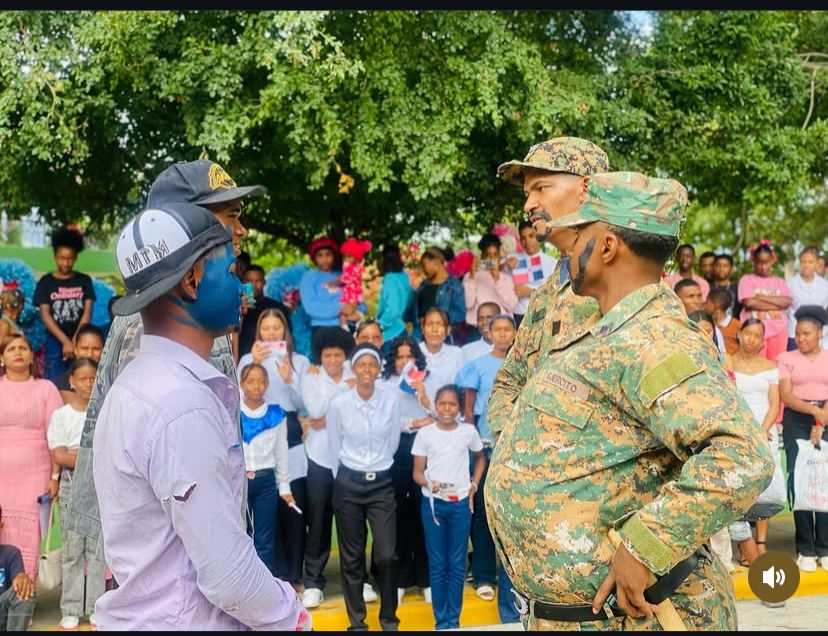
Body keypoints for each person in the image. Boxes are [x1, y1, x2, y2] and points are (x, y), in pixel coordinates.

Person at [487, 171, 774, 630]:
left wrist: (645, 546)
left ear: (606, 246)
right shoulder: (605, 333)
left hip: (643, 617)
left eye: (579, 235)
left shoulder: (655, 339)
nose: (568, 248)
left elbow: (742, 455)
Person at [92, 203, 307, 630]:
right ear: (192, 280)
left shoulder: (135, 385)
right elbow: (230, 577)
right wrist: (293, 617)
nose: (241, 286)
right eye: (231, 271)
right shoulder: (181, 404)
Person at [63, 159, 263, 575]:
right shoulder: (158, 318)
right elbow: (143, 477)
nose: (241, 230)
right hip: (171, 573)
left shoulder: (195, 307)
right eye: (230, 217)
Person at [488, 136, 609, 454]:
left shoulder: (625, 289)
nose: (528, 205)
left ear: (586, 189)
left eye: (541, 188)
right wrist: (515, 444)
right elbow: (508, 381)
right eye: (527, 193)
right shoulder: (545, 294)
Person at [328, 343, 402, 632]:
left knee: (387, 555)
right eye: (362, 364)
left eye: (372, 364)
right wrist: (346, 477)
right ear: (353, 368)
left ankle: (389, 620)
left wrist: (376, 466)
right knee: (352, 557)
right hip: (348, 483)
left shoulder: (390, 401)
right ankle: (357, 622)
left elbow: (393, 442)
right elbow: (334, 444)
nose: (367, 370)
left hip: (381, 483)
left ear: (379, 368)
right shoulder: (339, 404)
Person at [237, 308, 310, 591]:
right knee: (263, 520)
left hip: (290, 430)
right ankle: (271, 576)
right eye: (265, 328)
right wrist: (254, 363)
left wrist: (291, 378)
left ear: (284, 331)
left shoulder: (299, 361)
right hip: (258, 438)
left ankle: (295, 574)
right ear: (258, 332)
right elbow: (237, 397)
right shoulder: (248, 359)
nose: (270, 333)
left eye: (276, 328)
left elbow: (305, 403)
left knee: (291, 508)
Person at [455, 314, 517, 612]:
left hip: (515, 448)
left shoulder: (522, 364)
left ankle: (514, 576)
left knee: (510, 516)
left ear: (515, 333)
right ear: (489, 333)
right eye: (498, 329)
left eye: (508, 329)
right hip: (485, 447)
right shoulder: (477, 366)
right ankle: (483, 575)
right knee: (482, 513)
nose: (503, 334)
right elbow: (468, 409)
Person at [412, 384, 485, 630]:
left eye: (452, 404)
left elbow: (480, 458)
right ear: (435, 404)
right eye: (442, 403)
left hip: (460, 505)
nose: (446, 408)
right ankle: (441, 623)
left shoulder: (468, 431)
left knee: (456, 564)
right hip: (434, 505)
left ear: (459, 407)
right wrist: (429, 483)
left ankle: (453, 622)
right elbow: (417, 473)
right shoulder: (425, 434)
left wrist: (474, 485)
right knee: (437, 564)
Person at [46, 357, 105, 631]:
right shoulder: (62, 415)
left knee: (95, 551)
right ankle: (70, 609)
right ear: (71, 381)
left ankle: (95, 608)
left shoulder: (104, 413)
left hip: (98, 485)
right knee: (72, 550)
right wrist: (87, 455)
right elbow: (59, 454)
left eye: (93, 378)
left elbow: (106, 453)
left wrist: (76, 454)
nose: (88, 383)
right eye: (83, 378)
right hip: (70, 483)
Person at [299, 326, 356, 609]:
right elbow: (316, 410)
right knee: (319, 520)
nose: (333, 361)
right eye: (327, 356)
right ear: (320, 356)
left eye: (337, 355)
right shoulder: (311, 377)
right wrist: (344, 389)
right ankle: (312, 582)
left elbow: (353, 413)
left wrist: (327, 417)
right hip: (319, 458)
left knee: (351, 522)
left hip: (348, 458)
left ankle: (356, 581)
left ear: (345, 355)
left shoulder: (355, 373)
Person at [0, 334, 62, 587]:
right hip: (2, 475)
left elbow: (56, 436)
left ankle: (26, 592)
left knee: (33, 530)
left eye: (23, 348)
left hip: (36, 471)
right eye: (11, 348)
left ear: (31, 356)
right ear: (2, 357)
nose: (18, 352)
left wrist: (55, 476)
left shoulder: (46, 388)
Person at [380, 335, 434, 605]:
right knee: (399, 516)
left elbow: (441, 415)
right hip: (397, 451)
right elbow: (387, 422)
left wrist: (423, 395)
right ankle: (401, 579)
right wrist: (416, 422)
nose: (404, 361)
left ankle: (425, 579)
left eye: (409, 356)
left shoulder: (426, 380)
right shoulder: (385, 385)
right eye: (399, 357)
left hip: (426, 450)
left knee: (423, 515)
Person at [776, 305, 828, 573]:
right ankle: (805, 548)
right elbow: (786, 395)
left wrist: (822, 419)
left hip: (826, 416)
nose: (801, 338)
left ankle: (825, 547)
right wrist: (815, 413)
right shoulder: (786, 357)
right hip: (796, 420)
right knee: (801, 481)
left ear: (820, 333)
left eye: (806, 333)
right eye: (797, 334)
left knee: (824, 481)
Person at [731, 318, 782, 560]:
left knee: (763, 487)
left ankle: (761, 542)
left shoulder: (770, 366)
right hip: (738, 427)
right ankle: (744, 544)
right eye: (748, 333)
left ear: (763, 341)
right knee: (740, 485)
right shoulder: (728, 362)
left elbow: (774, 403)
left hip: (765, 429)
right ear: (740, 334)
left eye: (757, 336)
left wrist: (762, 430)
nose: (751, 339)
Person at [238, 362, 292, 576]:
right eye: (251, 381)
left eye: (261, 381)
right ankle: (242, 583)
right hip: (240, 481)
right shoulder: (233, 412)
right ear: (242, 384)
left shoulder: (276, 414)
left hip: (265, 481)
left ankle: (265, 584)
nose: (256, 386)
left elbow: (281, 451)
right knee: (240, 534)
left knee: (264, 538)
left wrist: (284, 484)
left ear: (267, 384)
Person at [34, 227, 96, 381]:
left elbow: (87, 312)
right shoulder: (45, 282)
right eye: (61, 258)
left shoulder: (84, 281)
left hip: (80, 340)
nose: (66, 263)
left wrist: (75, 340)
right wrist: (65, 341)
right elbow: (45, 316)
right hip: (54, 341)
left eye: (70, 258)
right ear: (55, 256)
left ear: (75, 257)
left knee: (82, 380)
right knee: (56, 382)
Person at [738, 241, 792, 361]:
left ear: (772, 260)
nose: (763, 266)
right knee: (754, 366)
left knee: (776, 366)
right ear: (753, 261)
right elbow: (749, 303)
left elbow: (787, 302)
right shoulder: (746, 280)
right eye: (759, 262)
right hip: (753, 331)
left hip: (779, 331)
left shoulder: (779, 282)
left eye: (766, 262)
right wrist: (777, 303)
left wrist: (760, 298)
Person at [462, 234, 518, 342]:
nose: (492, 259)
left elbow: (511, 305)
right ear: (482, 256)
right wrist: (472, 276)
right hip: (478, 330)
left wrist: (497, 279)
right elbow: (469, 304)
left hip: (501, 329)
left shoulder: (505, 278)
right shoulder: (470, 276)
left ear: (499, 256)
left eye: (495, 255)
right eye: (488, 255)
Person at [408, 247, 466, 344]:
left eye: (425, 265)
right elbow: (413, 312)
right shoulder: (424, 284)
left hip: (440, 338)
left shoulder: (453, 284)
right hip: (418, 335)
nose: (424, 270)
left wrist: (437, 319)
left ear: (436, 261)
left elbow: (461, 313)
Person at [237, 264, 293, 360]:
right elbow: (233, 335)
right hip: (246, 358)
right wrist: (241, 313)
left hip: (275, 357)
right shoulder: (236, 307)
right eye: (249, 281)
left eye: (257, 281)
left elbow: (287, 334)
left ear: (264, 282)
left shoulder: (277, 306)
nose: (253, 285)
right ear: (243, 283)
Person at [508, 221, 557, 327]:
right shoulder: (512, 259)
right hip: (517, 316)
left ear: (538, 236)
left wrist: (531, 292)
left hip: (540, 315)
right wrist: (503, 265)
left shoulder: (552, 263)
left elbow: (555, 295)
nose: (527, 241)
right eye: (523, 238)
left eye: (531, 236)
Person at [300, 237, 344, 348]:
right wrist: (341, 309)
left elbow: (358, 302)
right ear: (314, 258)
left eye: (328, 254)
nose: (324, 259)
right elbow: (311, 307)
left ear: (334, 256)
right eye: (320, 255)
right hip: (320, 328)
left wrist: (353, 308)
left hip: (345, 327)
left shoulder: (342, 277)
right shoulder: (309, 277)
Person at [419, 308, 465, 408]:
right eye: (430, 324)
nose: (434, 330)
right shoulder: (414, 352)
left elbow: (462, 388)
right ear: (422, 328)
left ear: (448, 330)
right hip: (418, 413)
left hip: (448, 412)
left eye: (439, 324)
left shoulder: (456, 354)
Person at [0, 503, 36, 632]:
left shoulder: (11, 553)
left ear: (1, 527)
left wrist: (22, 578)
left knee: (24, 590)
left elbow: (19, 578)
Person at [786, 246, 828, 352]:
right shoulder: (790, 284)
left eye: (810, 262)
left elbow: (823, 311)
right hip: (794, 335)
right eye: (803, 262)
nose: (806, 265)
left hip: (817, 336)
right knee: (795, 361)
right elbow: (786, 311)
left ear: (817, 263)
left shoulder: (825, 285)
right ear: (799, 262)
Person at [54, 324, 104, 399]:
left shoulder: (111, 380)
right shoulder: (61, 384)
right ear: (75, 349)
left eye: (96, 349)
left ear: (104, 350)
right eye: (84, 348)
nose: (90, 354)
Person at [675, 280, 725, 355]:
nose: (697, 301)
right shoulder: (670, 326)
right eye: (691, 296)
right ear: (677, 299)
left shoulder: (713, 329)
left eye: (699, 296)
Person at [377, 245, 414, 342]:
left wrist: (378, 324)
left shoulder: (390, 279)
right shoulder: (404, 277)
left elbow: (394, 310)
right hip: (401, 329)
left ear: (383, 258)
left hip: (390, 333)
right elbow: (410, 302)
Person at [339, 238, 373, 332]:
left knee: (346, 312)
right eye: (345, 256)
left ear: (356, 257)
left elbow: (345, 280)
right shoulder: (351, 267)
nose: (346, 259)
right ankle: (348, 327)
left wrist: (333, 284)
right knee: (344, 314)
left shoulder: (353, 268)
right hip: (350, 294)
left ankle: (351, 327)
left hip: (352, 295)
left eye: (349, 257)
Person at [705, 288, 740, 356]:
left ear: (716, 304)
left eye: (707, 302)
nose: (704, 304)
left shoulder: (737, 326)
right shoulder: (706, 323)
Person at [711, 253, 742, 318]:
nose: (721, 269)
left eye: (725, 266)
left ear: (731, 269)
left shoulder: (738, 289)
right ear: (713, 268)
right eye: (718, 265)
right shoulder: (708, 287)